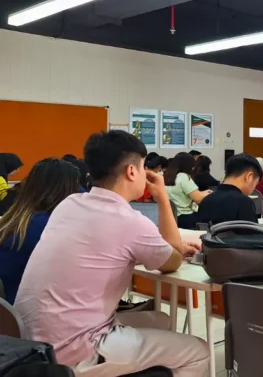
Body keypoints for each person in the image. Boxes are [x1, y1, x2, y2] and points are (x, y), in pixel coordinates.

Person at [14, 130, 209, 375]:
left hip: (33, 341)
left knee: (161, 319)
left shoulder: (69, 204)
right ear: (131, 171)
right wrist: (161, 198)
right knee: (198, 350)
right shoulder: (129, 220)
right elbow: (172, 261)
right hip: (75, 350)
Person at [0, 159, 80, 304]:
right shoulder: (48, 228)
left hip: (11, 314)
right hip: (35, 313)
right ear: (66, 191)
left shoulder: (15, 221)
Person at [198, 154, 263, 225]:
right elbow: (252, 235)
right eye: (255, 183)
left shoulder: (206, 200)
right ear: (249, 177)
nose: (254, 188)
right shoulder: (244, 202)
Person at [164, 152, 210, 229]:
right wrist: (209, 194)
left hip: (171, 216)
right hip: (186, 217)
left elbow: (186, 193)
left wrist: (204, 192)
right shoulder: (184, 177)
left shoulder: (167, 176)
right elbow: (198, 198)